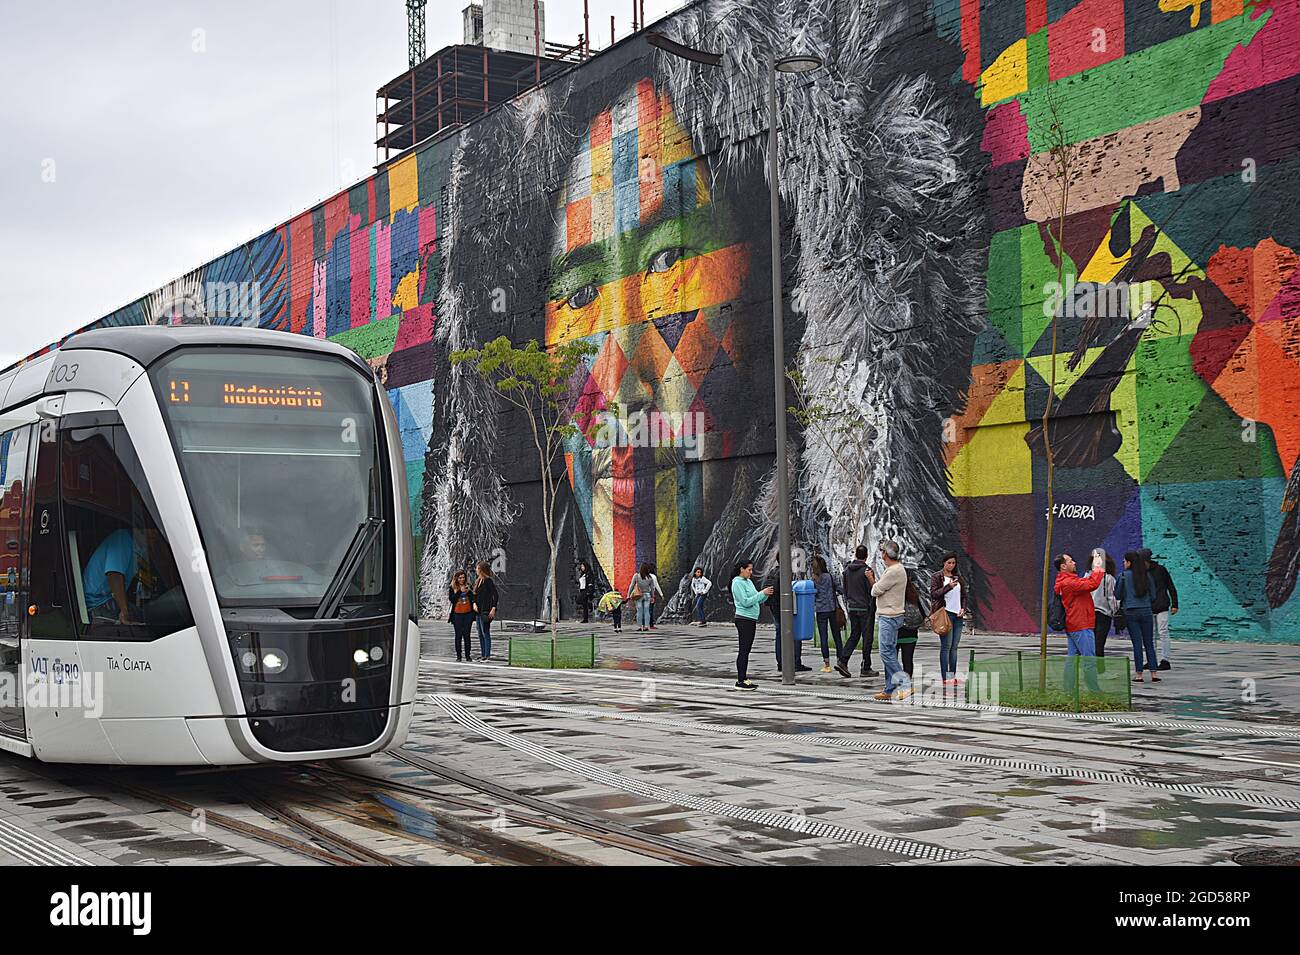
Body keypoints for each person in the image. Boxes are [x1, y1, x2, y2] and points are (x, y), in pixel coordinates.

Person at [1053, 551, 1105, 695]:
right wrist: (1098, 568)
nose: (1074, 562)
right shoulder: (1069, 582)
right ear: (1063, 566)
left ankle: (1069, 690)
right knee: (1089, 659)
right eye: (1070, 561)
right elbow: (1092, 583)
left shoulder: (1065, 581)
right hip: (1081, 624)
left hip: (1074, 624)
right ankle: (1094, 691)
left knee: (1072, 659)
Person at [82, 527, 156, 624]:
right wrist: (124, 611)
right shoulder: (122, 539)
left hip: (109, 598)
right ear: (139, 530)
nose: (155, 535)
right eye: (152, 529)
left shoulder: (139, 546)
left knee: (150, 615)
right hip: (99, 603)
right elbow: (114, 575)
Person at [868, 540, 910, 701]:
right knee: (890, 653)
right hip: (893, 615)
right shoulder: (896, 569)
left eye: (882, 552)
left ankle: (905, 684)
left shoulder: (894, 571)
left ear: (885, 553)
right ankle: (889, 688)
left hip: (889, 616)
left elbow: (876, 590)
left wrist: (872, 579)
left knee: (885, 653)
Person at [1117, 550, 1160, 684]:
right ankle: (1154, 673)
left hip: (1130, 611)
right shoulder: (1146, 576)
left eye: (1124, 561)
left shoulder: (1123, 576)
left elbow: (1118, 594)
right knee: (1149, 643)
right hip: (1146, 611)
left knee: (1137, 643)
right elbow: (1153, 595)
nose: (1123, 563)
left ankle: (1139, 674)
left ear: (1129, 562)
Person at [730, 560, 772, 690]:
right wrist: (761, 594)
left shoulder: (748, 582)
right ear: (741, 569)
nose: (751, 572)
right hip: (743, 619)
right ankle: (740, 679)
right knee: (744, 650)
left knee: (747, 650)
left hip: (751, 619)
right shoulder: (737, 583)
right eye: (749, 570)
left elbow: (756, 598)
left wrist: (765, 595)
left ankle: (744, 678)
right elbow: (745, 602)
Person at [928, 552, 968, 686]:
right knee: (946, 646)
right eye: (949, 563)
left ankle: (952, 675)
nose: (951, 565)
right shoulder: (937, 577)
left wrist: (963, 608)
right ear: (944, 563)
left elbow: (964, 595)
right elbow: (934, 594)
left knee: (954, 647)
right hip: (945, 614)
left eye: (953, 563)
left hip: (958, 615)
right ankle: (945, 677)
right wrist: (948, 587)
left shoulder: (958, 578)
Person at [838, 545, 878, 677]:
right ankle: (866, 667)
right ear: (866, 556)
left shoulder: (847, 571)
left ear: (855, 555)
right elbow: (872, 591)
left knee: (854, 635)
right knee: (867, 638)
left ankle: (843, 660)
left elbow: (845, 589)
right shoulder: (867, 571)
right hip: (865, 608)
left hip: (852, 606)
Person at [1140, 548, 1179, 670]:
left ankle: (1165, 660)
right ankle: (1151, 660)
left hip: (1161, 605)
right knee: (1150, 635)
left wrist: (1175, 604)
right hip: (1148, 607)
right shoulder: (1140, 572)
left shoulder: (1161, 570)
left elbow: (1170, 586)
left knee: (1163, 632)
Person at [766, 565, 808, 672]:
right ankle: (796, 662)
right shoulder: (785, 571)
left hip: (774, 607)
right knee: (795, 633)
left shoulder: (773, 571)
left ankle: (781, 662)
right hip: (784, 607)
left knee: (779, 634)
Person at [810, 555, 844, 673]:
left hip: (820, 610)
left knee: (823, 636)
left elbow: (812, 594)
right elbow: (840, 589)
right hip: (832, 609)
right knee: (837, 636)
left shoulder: (814, 579)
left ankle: (827, 664)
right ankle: (841, 660)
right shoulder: (830, 576)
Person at [1091, 551, 1118, 658]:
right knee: (1100, 642)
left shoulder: (1088, 575)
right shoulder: (1109, 578)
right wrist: (1115, 611)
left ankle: (1089, 666)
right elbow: (1112, 598)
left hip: (1089, 613)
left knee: (1090, 641)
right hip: (1104, 613)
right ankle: (1100, 668)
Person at [897, 574, 924, 680]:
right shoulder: (913, 595)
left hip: (896, 633)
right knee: (908, 660)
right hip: (911, 633)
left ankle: (891, 682)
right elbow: (922, 613)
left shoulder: (894, 596)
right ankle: (907, 683)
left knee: (892, 660)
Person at [472, 560, 499, 660]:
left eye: (478, 568)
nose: (476, 570)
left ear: (482, 569)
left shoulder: (488, 581)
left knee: (485, 632)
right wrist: (474, 603)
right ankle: (483, 654)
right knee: (480, 633)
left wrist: (493, 608)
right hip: (478, 611)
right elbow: (475, 595)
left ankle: (487, 655)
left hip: (485, 610)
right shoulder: (478, 581)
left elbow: (495, 595)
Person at [448, 570, 476, 662]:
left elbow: (473, 598)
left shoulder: (468, 586)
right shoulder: (452, 587)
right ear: (456, 578)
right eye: (460, 578)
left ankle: (468, 655)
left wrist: (468, 592)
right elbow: (452, 600)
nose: (462, 579)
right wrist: (460, 591)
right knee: (458, 635)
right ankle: (459, 656)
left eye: (463, 577)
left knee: (467, 635)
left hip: (468, 613)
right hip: (457, 614)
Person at [626, 563, 658, 632]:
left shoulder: (636, 576)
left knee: (639, 611)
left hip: (639, 595)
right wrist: (652, 596)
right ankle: (646, 626)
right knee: (646, 611)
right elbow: (652, 588)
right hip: (647, 595)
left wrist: (628, 595)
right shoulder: (650, 577)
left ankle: (640, 627)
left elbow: (631, 586)